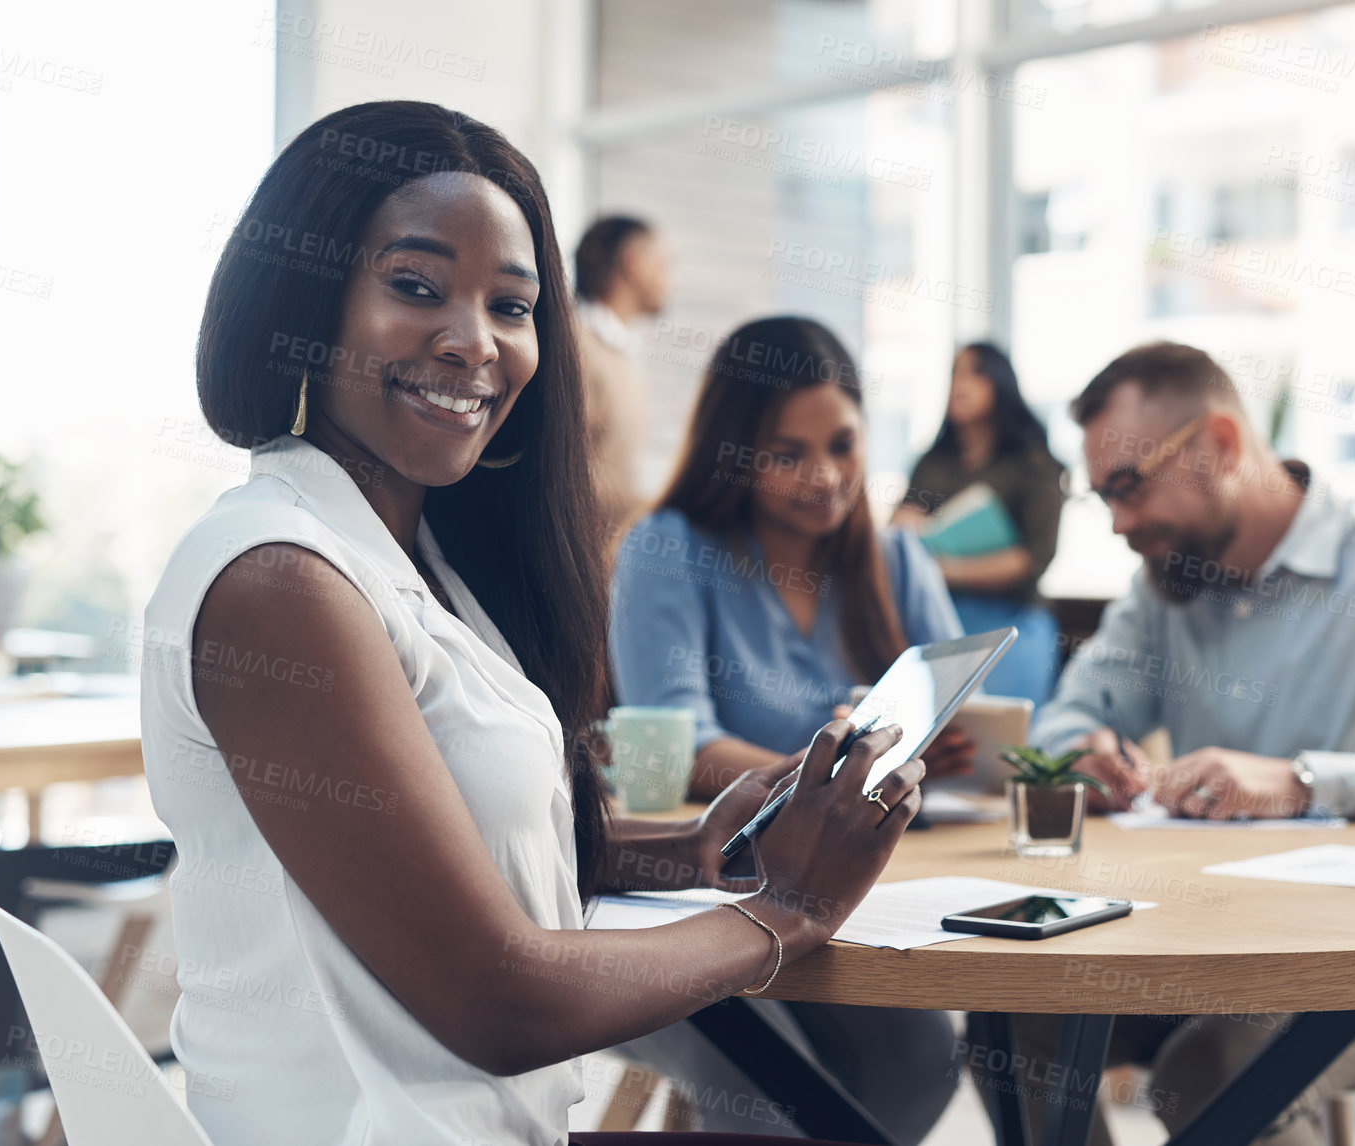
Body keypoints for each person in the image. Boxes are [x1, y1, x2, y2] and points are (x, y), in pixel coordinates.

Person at [141, 100, 926, 1146]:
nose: (474, 344)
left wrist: (685, 852)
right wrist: (785, 911)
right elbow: (497, 999)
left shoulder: (420, 572)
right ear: (308, 298)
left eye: (512, 308)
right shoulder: (283, 583)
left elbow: (452, 856)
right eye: (415, 287)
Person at [973, 340, 1355, 1146]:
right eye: (1102, 499)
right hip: (1222, 946)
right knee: (1012, 1025)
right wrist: (1082, 749)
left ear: (1218, 443)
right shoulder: (1166, 586)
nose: (1118, 524)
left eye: (1129, 486)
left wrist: (1304, 781)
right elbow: (1067, 718)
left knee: (1214, 1075)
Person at [607, 316, 966, 1143]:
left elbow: (955, 719)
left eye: (842, 445)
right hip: (690, 891)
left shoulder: (897, 562)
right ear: (730, 453)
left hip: (856, 894)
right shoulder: (669, 549)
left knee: (924, 1061)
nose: (823, 477)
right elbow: (684, 743)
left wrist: (938, 755)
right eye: (784, 453)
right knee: (769, 1093)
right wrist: (823, 775)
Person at [892, 342, 1066, 704]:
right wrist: (906, 527)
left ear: (1000, 384)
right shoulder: (932, 462)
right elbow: (897, 533)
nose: (961, 384)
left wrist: (942, 569)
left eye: (975, 373)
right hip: (937, 620)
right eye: (955, 373)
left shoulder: (1033, 465)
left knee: (1004, 738)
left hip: (1012, 624)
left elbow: (1032, 559)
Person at [573, 215, 670, 532]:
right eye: (663, 265)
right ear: (634, 263)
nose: (670, 281)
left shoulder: (619, 349)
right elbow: (566, 473)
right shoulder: (580, 349)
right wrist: (659, 509)